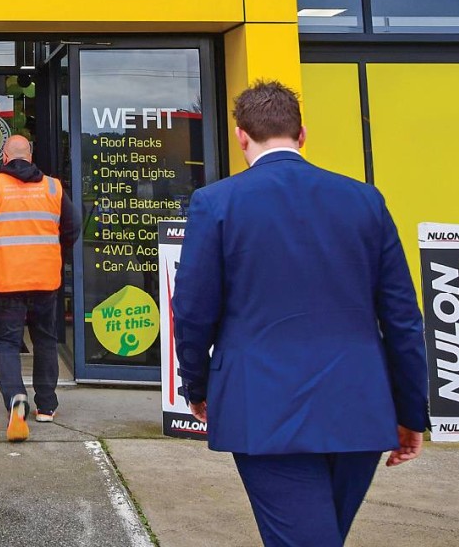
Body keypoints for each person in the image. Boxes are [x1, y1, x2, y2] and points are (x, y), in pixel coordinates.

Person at [172, 80, 428, 547]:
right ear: (302, 134)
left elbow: (191, 311)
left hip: (261, 404)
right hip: (358, 405)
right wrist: (411, 410)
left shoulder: (216, 203)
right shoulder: (365, 201)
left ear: (241, 137)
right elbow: (403, 318)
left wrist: (198, 385)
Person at [0, 132, 80, 443]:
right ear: (30, 157)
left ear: (4, 158)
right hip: (45, 278)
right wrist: (56, 254)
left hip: (6, 279)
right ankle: (46, 406)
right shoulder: (53, 187)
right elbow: (73, 227)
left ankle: (16, 398)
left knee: (7, 342)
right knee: (45, 339)